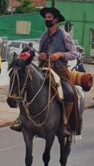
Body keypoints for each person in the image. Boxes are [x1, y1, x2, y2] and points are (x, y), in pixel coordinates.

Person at [33, 7, 81, 137]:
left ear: (56, 20)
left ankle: (65, 124)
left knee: (69, 93)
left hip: (59, 70)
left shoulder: (65, 35)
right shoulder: (43, 36)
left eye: (49, 18)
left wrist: (60, 54)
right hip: (43, 69)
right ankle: (24, 119)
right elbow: (39, 53)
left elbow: (75, 54)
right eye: (46, 17)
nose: (46, 20)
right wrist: (41, 55)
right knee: (28, 87)